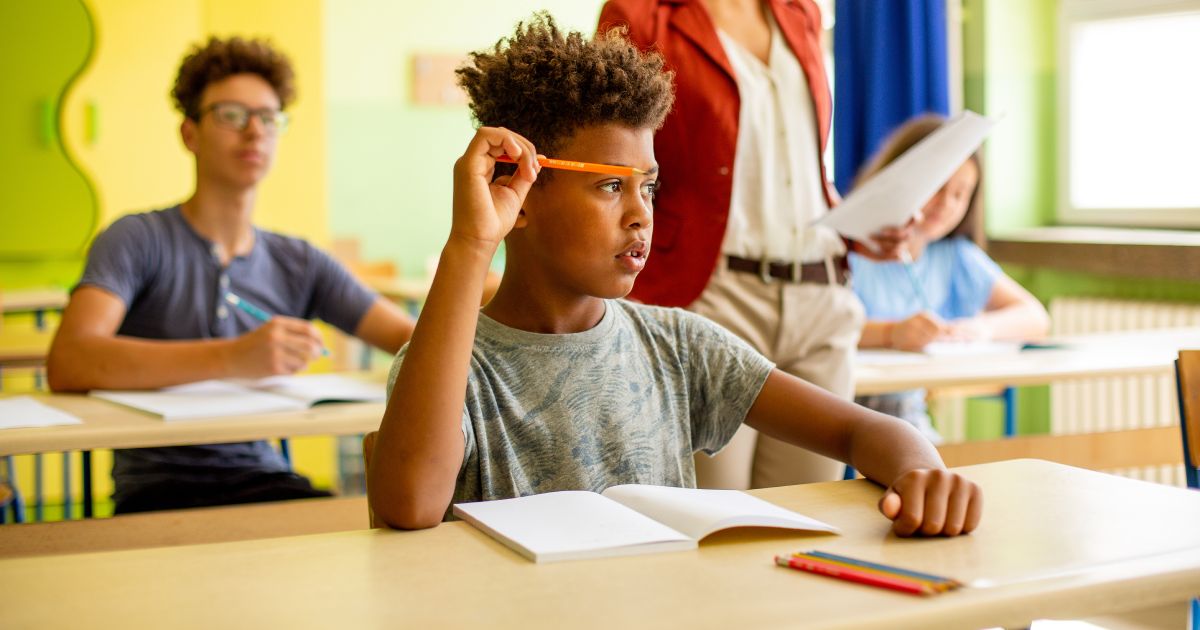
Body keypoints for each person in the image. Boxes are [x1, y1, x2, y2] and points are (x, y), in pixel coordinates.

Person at [368, 15, 982, 539]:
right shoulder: (455, 367)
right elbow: (411, 505)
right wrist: (471, 242)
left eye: (650, 187)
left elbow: (864, 429)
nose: (641, 216)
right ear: (518, 193)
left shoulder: (679, 346)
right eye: (611, 186)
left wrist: (920, 473)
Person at [47, 36, 416, 514]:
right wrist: (234, 357)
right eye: (232, 115)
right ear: (190, 133)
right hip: (157, 493)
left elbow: (414, 341)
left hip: (263, 479)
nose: (254, 132)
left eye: (268, 118)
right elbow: (71, 359)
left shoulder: (299, 260)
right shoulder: (136, 239)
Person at [597, 0, 910, 489]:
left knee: (809, 514)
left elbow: (797, 164)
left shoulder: (799, 12)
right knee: (716, 521)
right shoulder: (641, 18)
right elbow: (613, 158)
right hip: (715, 297)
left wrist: (855, 223)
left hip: (820, 293)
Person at [850, 114, 1050, 442]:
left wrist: (980, 328)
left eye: (960, 194)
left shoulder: (955, 257)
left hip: (908, 425)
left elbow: (1035, 317)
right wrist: (891, 333)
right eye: (937, 187)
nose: (946, 204)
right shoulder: (849, 250)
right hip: (846, 414)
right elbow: (818, 330)